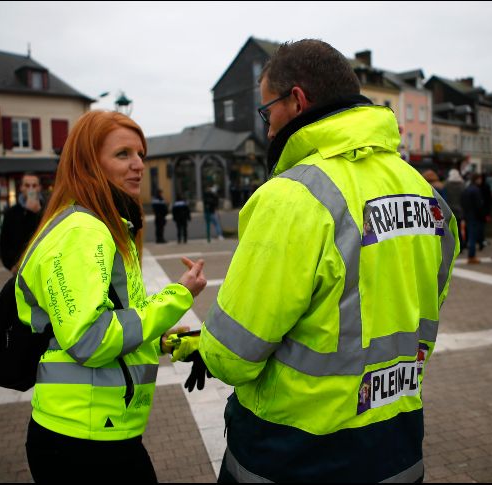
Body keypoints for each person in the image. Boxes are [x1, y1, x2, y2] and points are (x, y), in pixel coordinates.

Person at [170, 39, 459, 483]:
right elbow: (422, 304)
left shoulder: (293, 196)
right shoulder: (425, 193)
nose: (268, 130)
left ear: (297, 101)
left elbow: (232, 355)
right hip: (398, 441)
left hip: (297, 449)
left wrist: (205, 345)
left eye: (267, 112)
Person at [14, 110, 207, 483]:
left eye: (141, 154)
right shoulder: (82, 232)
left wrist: (164, 342)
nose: (139, 165)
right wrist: (178, 295)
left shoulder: (108, 226)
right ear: (89, 164)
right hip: (81, 439)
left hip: (99, 430)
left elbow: (116, 320)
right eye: (123, 154)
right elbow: (90, 338)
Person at [0, 172, 44, 274]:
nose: (31, 189)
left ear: (39, 188)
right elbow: (4, 243)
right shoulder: (11, 213)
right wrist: (11, 265)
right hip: (20, 268)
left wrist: (36, 214)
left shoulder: (47, 210)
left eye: (34, 185)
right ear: (21, 188)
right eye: (27, 185)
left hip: (43, 265)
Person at [461, 173, 485, 264]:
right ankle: (472, 256)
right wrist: (481, 215)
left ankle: (471, 255)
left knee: (470, 236)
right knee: (473, 237)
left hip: (468, 215)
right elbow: (479, 205)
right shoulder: (476, 190)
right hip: (475, 216)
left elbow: (462, 202)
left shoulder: (467, 189)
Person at [443, 168, 465, 246]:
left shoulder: (446, 184)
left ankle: (451, 244)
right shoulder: (462, 184)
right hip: (460, 209)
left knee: (450, 228)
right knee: (458, 228)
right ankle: (461, 244)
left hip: (449, 208)